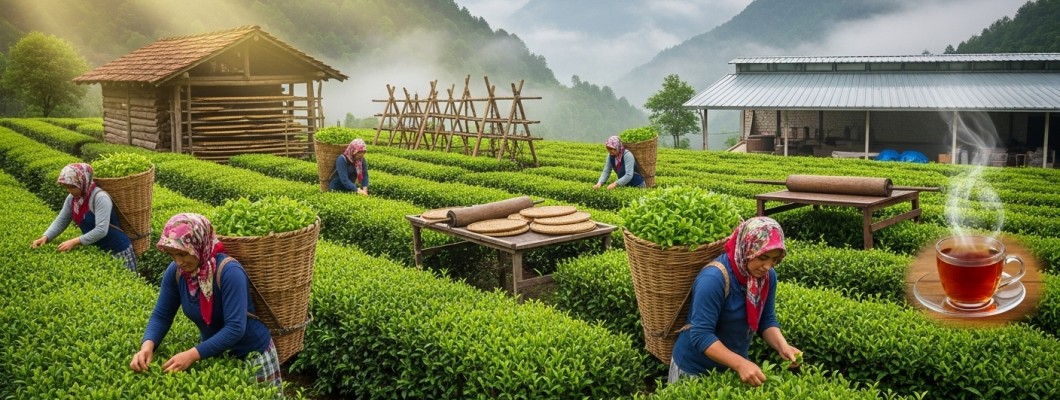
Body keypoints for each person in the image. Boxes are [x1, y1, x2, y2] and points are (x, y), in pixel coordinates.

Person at [130, 213, 281, 389]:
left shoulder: (229, 272)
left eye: (182, 254)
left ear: (199, 245)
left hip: (252, 354)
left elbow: (235, 328)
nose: (179, 262)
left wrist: (192, 355)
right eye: (172, 255)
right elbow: (162, 315)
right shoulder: (177, 273)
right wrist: (147, 346)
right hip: (215, 353)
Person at [669, 216, 800, 386]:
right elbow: (701, 335)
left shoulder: (767, 277)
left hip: (731, 369)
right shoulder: (714, 278)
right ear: (747, 248)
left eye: (774, 260)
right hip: (695, 370)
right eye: (763, 257)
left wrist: (783, 346)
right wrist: (740, 363)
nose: (768, 266)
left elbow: (766, 319)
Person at [30, 163, 137, 272]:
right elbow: (62, 220)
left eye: (72, 186)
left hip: (118, 250)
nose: (69, 190)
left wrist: (74, 241)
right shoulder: (73, 198)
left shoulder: (100, 198)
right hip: (98, 249)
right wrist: (46, 237)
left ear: (83, 182)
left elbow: (101, 230)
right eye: (66, 187)